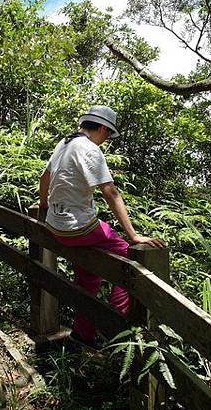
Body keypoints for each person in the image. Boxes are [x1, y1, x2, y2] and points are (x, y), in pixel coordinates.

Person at [39, 105, 165, 349]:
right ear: (102, 128)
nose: (107, 139)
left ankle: (83, 333)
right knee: (128, 257)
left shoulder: (64, 143)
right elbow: (110, 191)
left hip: (56, 226)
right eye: (108, 134)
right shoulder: (89, 149)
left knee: (88, 278)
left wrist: (44, 205)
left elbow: (45, 177)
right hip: (79, 228)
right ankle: (116, 323)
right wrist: (134, 235)